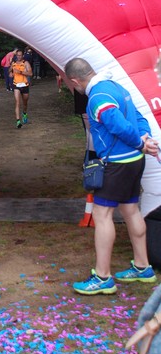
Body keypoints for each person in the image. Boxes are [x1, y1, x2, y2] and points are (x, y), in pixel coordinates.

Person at [64, 57, 158, 295]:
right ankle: (142, 266)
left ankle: (103, 276)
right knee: (130, 209)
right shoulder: (115, 86)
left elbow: (117, 125)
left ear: (75, 80)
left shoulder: (97, 97)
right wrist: (145, 138)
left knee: (102, 214)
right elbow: (137, 116)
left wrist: (139, 142)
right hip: (134, 162)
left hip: (117, 163)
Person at [9, 49, 32, 128]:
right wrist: (11, 73)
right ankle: (18, 121)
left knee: (25, 103)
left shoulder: (25, 63)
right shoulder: (13, 63)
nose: (18, 56)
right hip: (16, 85)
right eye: (17, 55)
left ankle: (24, 113)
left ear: (22, 56)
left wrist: (21, 72)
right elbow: (10, 71)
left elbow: (30, 73)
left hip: (25, 85)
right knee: (17, 102)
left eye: (20, 55)